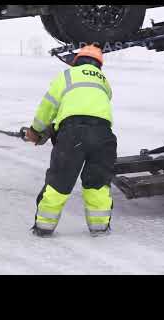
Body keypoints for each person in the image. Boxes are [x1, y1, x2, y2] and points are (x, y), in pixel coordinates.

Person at [25, 45, 117, 237]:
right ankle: (99, 228)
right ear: (99, 65)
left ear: (76, 61)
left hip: (73, 134)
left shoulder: (67, 76)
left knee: (59, 181)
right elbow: (92, 108)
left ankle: (44, 227)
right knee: (97, 183)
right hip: (103, 135)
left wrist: (36, 130)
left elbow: (48, 106)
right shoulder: (104, 82)